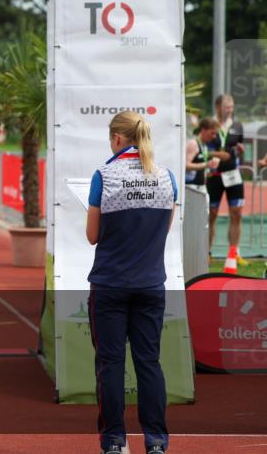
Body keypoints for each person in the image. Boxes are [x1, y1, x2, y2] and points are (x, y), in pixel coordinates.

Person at [86, 111, 178, 454]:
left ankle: (114, 442)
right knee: (148, 362)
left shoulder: (104, 176)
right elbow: (162, 232)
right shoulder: (167, 177)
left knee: (110, 364)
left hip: (110, 284)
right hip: (151, 284)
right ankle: (156, 442)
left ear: (116, 139)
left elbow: (92, 236)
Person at [205, 94, 246, 264]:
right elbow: (201, 148)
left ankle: (233, 253)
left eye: (231, 106)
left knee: (236, 214)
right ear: (217, 107)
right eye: (226, 106)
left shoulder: (237, 125)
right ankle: (207, 252)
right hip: (214, 176)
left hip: (233, 176)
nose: (229, 109)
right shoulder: (209, 124)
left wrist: (240, 152)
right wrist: (216, 154)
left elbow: (238, 149)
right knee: (211, 214)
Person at [184, 118, 221, 190]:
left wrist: (210, 169)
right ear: (203, 130)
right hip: (191, 187)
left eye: (215, 134)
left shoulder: (204, 145)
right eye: (212, 133)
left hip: (199, 187)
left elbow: (201, 167)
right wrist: (206, 164)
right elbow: (185, 165)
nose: (214, 136)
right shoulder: (193, 144)